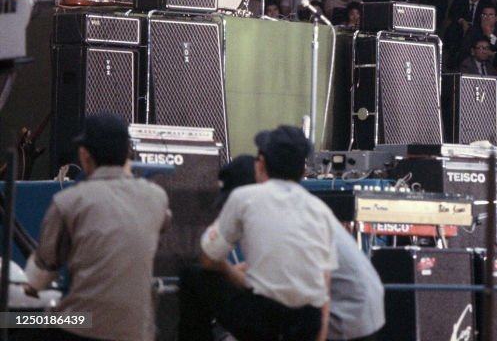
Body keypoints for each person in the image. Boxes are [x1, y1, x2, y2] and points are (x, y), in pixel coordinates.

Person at [179, 124, 338, 341]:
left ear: (261, 165)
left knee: (192, 275)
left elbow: (208, 259)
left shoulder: (244, 197)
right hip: (307, 322)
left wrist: (231, 272)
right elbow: (324, 286)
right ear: (303, 171)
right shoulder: (322, 211)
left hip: (263, 320)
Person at [25, 113, 170, 341]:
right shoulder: (157, 197)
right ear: (128, 154)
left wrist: (28, 287)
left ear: (84, 155)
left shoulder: (69, 201)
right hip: (139, 331)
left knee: (12, 320)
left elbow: (38, 279)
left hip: (82, 324)